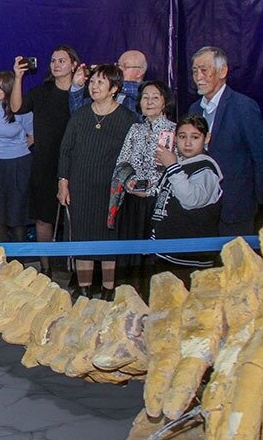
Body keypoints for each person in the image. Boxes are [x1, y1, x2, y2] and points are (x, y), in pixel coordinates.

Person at [57, 64, 137, 300]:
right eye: (92, 81)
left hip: (110, 191)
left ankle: (108, 291)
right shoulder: (80, 115)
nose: (94, 86)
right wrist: (63, 183)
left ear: (114, 88)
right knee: (83, 239)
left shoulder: (127, 118)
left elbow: (132, 157)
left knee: (108, 241)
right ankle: (84, 291)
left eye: (101, 82)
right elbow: (65, 151)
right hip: (80, 188)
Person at [187, 46, 263, 236]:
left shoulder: (243, 107)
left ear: (223, 71)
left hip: (235, 209)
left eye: (204, 70)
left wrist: (256, 200)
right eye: (194, 71)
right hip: (201, 210)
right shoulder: (194, 109)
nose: (198, 76)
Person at [11, 46, 80, 277]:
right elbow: (16, 107)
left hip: (75, 164)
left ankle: (77, 269)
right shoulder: (41, 92)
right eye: (53, 60)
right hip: (44, 163)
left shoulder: (83, 94)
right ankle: (45, 267)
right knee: (43, 218)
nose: (56, 64)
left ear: (73, 64)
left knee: (75, 219)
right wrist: (18, 77)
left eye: (62, 60)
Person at [151, 114, 224, 286]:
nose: (188, 143)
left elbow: (190, 199)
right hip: (167, 251)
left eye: (195, 137)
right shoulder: (179, 165)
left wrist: (172, 167)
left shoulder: (206, 169)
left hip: (190, 257)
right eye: (183, 137)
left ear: (206, 138)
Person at [112, 80, 177, 261]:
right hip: (132, 201)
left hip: (158, 203)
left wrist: (151, 191)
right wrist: (129, 183)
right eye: (145, 97)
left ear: (165, 102)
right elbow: (122, 163)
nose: (149, 102)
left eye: (155, 98)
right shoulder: (135, 129)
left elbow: (175, 170)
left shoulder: (174, 131)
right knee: (130, 256)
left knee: (152, 258)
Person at [0, 70, 34, 244]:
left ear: (9, 90)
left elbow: (33, 135)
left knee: (17, 216)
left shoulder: (23, 110)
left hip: (18, 165)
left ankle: (21, 256)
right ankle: (2, 256)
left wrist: (16, 151)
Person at [70, 50, 148, 118]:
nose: (119, 69)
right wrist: (77, 86)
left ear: (140, 72)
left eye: (125, 66)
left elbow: (138, 91)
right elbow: (77, 113)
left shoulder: (145, 92)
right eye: (118, 65)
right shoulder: (104, 93)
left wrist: (108, 80)